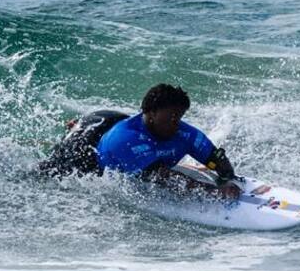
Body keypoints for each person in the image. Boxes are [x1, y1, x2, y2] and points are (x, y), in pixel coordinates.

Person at [38, 84, 239, 200]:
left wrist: (226, 175)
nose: (176, 123)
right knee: (45, 174)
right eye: (171, 117)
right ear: (150, 113)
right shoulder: (127, 140)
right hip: (88, 147)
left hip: (114, 120)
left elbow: (214, 157)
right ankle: (75, 129)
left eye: (179, 116)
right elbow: (161, 177)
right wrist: (214, 191)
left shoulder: (182, 131)